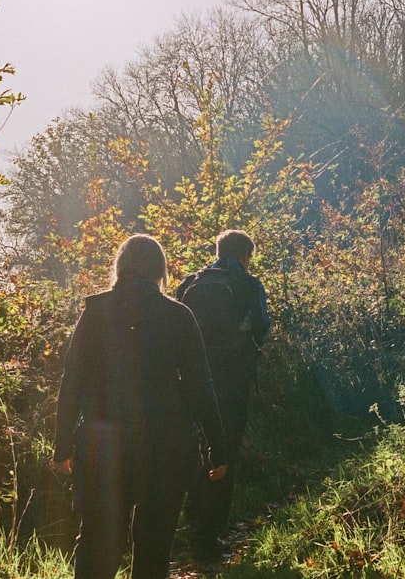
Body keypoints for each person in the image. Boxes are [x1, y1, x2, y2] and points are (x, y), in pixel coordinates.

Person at [49, 234, 227, 579]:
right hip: (166, 446)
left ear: (120, 267)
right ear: (159, 271)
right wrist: (217, 448)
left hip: (103, 445)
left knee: (98, 544)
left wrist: (62, 446)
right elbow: (200, 388)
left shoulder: (94, 312)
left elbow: (71, 383)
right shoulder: (178, 315)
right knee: (154, 548)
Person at [176, 229, 270, 563]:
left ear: (217, 250)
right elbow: (263, 326)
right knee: (224, 451)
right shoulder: (250, 285)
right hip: (232, 383)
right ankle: (208, 536)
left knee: (196, 447)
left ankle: (189, 525)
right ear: (245, 255)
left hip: (189, 382)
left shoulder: (190, 282)